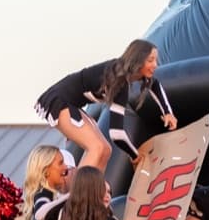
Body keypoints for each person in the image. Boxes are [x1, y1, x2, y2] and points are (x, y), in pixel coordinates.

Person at [33, 40, 173, 172]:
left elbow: (155, 84)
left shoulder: (128, 74)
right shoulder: (119, 81)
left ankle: (93, 192)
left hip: (72, 103)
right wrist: (135, 155)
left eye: (155, 59)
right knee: (97, 147)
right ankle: (79, 194)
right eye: (150, 60)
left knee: (106, 149)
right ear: (137, 61)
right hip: (60, 100)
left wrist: (168, 113)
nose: (155, 64)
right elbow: (117, 133)